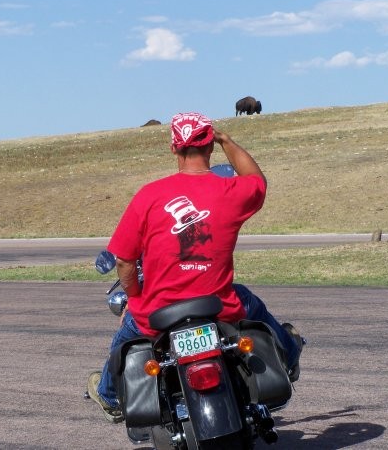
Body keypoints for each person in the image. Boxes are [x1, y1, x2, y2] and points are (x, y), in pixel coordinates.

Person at [87, 112, 303, 423]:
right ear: (209, 147)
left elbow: (123, 261)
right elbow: (257, 181)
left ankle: (109, 397)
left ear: (174, 148)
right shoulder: (229, 191)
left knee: (125, 334)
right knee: (253, 305)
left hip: (160, 312)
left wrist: (136, 298)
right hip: (220, 306)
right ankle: (290, 355)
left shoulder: (149, 196)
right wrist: (228, 140)